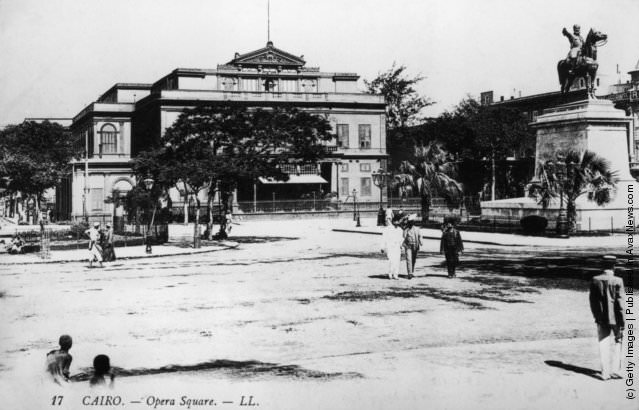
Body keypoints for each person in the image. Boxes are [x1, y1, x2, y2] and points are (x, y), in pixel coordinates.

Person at [589, 255, 625, 381]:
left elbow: (592, 301)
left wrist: (596, 315)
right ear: (614, 266)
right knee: (618, 340)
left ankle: (605, 373)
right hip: (615, 317)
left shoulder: (595, 279)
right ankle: (616, 369)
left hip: (601, 317)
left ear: (602, 265)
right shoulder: (618, 280)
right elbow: (620, 304)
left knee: (603, 342)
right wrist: (622, 320)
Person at [381, 214, 404, 280]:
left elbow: (401, 239)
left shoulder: (400, 230)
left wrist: (401, 246)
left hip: (397, 247)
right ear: (393, 221)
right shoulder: (388, 229)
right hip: (390, 247)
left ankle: (396, 274)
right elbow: (384, 238)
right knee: (391, 260)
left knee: (397, 261)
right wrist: (382, 247)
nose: (397, 222)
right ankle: (390, 274)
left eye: (398, 221)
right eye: (395, 221)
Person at [402, 215, 422, 280]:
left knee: (413, 259)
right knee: (409, 259)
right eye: (409, 222)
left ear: (413, 222)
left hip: (415, 246)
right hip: (408, 246)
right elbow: (403, 237)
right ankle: (409, 273)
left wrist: (421, 241)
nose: (410, 223)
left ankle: (412, 271)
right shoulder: (406, 229)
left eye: (411, 222)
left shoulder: (417, 229)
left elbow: (420, 236)